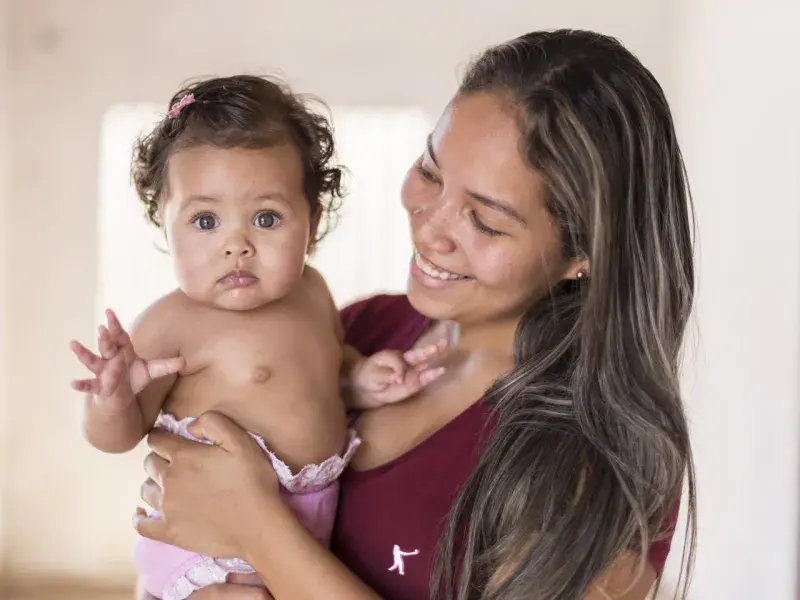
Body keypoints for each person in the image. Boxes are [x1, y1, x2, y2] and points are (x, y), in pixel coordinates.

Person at [134, 29, 697, 600]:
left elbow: (242, 521)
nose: (430, 227)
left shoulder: (593, 464)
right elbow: (177, 530)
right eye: (430, 172)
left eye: (486, 221)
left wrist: (261, 531)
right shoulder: (362, 330)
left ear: (583, 254)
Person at [70, 75, 447, 600]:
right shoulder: (171, 326)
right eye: (205, 220)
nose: (237, 245)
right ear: (163, 223)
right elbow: (117, 437)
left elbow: (319, 376)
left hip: (298, 527)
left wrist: (359, 380)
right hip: (212, 554)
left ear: (312, 223)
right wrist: (112, 399)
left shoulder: (313, 293)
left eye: (266, 218)